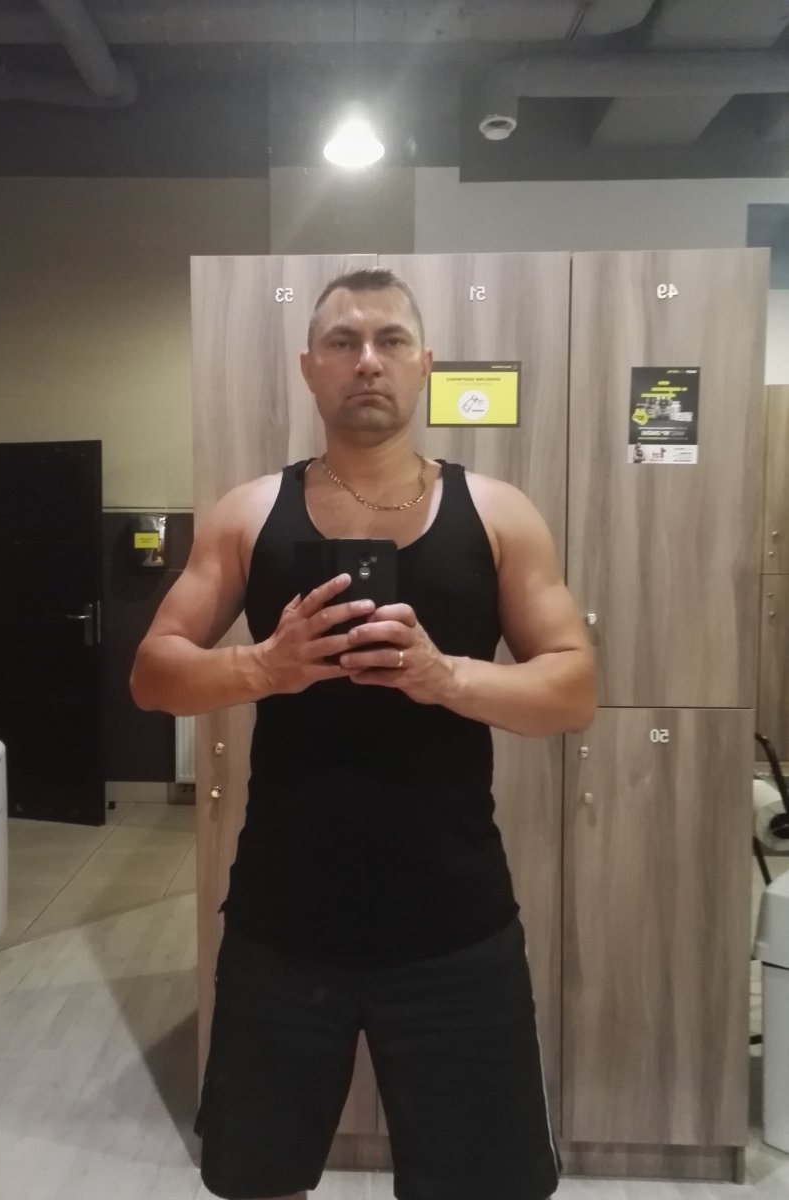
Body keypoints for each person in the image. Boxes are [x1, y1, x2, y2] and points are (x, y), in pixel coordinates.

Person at [131, 268, 596, 1200]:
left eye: (390, 341)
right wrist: (266, 666)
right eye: (343, 343)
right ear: (310, 367)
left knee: (479, 1187)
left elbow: (573, 688)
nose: (367, 361)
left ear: (425, 364)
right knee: (259, 1181)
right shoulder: (247, 514)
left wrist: (444, 676)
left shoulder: (498, 514)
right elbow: (153, 675)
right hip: (282, 925)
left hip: (456, 924)